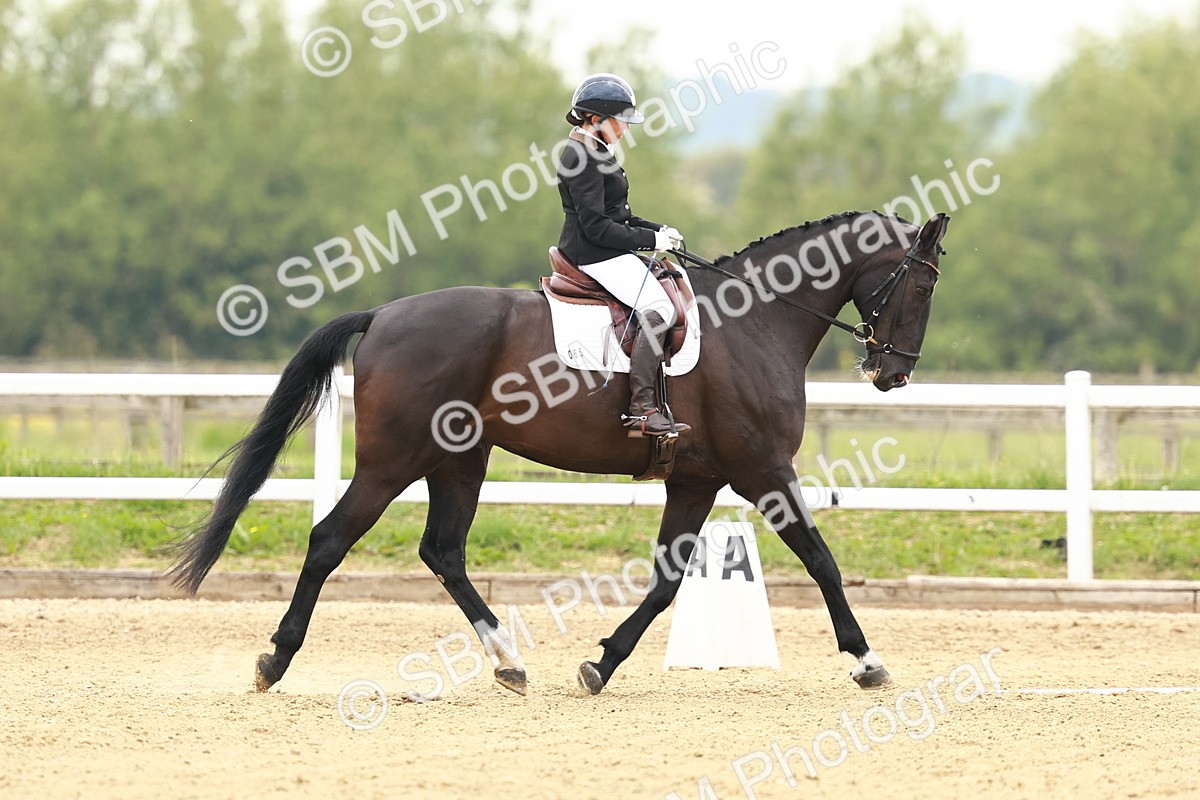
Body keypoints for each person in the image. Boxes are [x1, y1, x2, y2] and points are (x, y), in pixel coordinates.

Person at [555, 73, 690, 437]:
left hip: (605, 248)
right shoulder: (580, 157)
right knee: (659, 308)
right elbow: (598, 227)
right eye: (621, 122)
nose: (626, 129)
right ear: (596, 119)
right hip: (594, 254)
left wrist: (660, 231)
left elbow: (620, 217)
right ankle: (643, 409)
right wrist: (649, 239)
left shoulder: (595, 151)